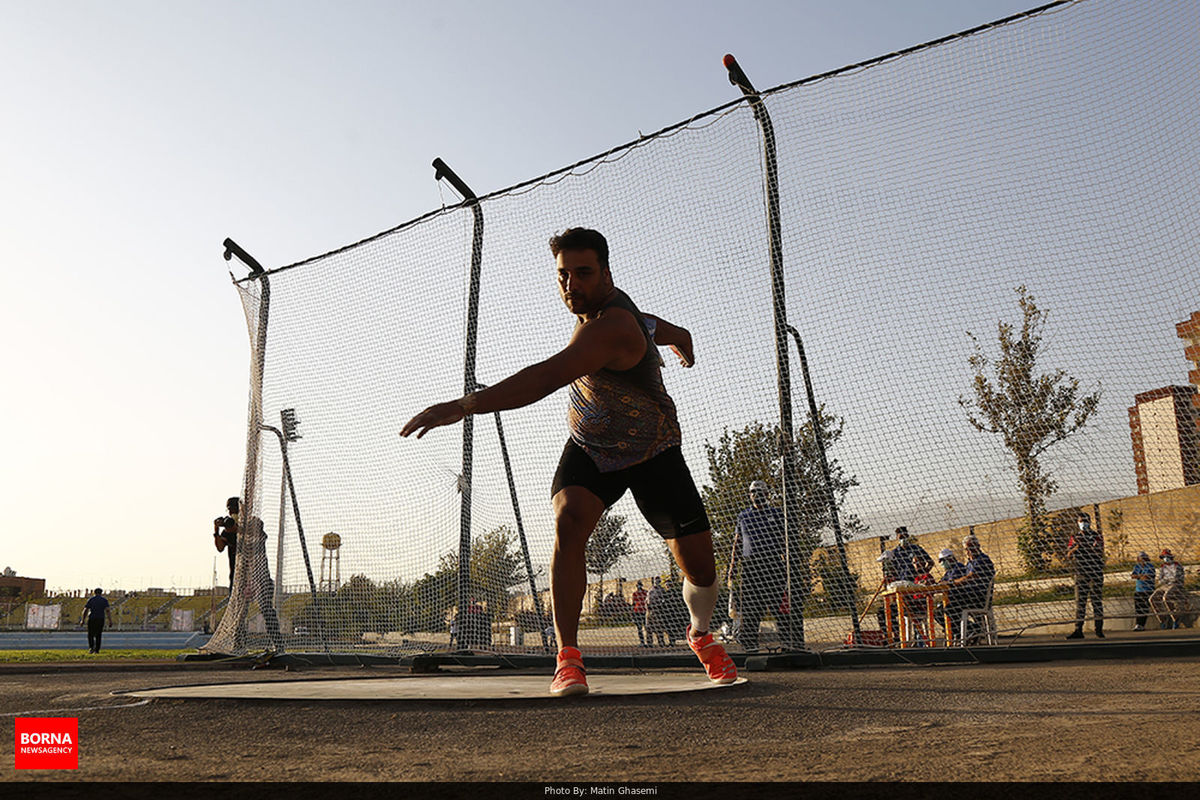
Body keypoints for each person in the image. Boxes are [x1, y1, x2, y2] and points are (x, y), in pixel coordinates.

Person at [401, 228, 736, 696]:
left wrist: (463, 406)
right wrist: (679, 334)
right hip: (592, 448)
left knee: (700, 569)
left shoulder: (611, 326)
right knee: (569, 519)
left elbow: (548, 376)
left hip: (651, 452)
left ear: (606, 275)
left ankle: (700, 635)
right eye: (562, 276)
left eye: (582, 274)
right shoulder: (606, 309)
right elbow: (653, 323)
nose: (570, 286)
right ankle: (569, 658)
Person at [726, 480, 786, 651]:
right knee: (751, 607)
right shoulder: (743, 516)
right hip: (751, 566)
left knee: (778, 605)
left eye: (760, 491)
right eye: (753, 491)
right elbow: (737, 542)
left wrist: (789, 563)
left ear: (767, 494)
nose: (756, 495)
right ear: (749, 495)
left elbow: (784, 540)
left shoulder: (776, 513)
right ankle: (750, 645)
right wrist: (732, 568)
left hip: (773, 563)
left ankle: (788, 642)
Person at [943, 535, 996, 644]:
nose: (969, 551)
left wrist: (952, 582)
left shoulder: (983, 560)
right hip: (970, 595)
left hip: (979, 597)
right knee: (946, 606)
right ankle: (970, 631)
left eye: (971, 547)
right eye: (967, 549)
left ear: (978, 546)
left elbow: (969, 577)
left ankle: (972, 631)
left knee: (950, 607)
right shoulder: (970, 563)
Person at [1065, 511, 1104, 640]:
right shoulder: (1075, 537)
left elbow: (1099, 552)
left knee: (1096, 601)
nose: (1083, 524)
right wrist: (1076, 547)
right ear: (1078, 523)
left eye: (1086, 521)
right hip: (1081, 572)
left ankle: (1099, 630)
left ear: (1090, 522)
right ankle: (1078, 630)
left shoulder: (1096, 536)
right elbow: (1069, 554)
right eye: (1081, 521)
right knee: (1080, 603)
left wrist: (1088, 546)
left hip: (1095, 572)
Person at [935, 548, 969, 641]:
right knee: (937, 613)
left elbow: (950, 582)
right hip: (951, 599)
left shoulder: (958, 567)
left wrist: (946, 583)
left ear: (949, 559)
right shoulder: (949, 571)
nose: (942, 564)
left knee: (948, 610)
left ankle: (970, 629)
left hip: (961, 599)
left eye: (942, 561)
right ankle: (956, 632)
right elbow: (942, 582)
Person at [1149, 549, 1188, 629]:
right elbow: (1160, 580)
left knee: (1165, 597)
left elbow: (1177, 578)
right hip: (1165, 585)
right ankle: (1162, 619)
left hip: (1175, 585)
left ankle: (1175, 618)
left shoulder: (1177, 565)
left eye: (1166, 556)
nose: (1165, 559)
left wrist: (1169, 580)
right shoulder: (1163, 567)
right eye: (1163, 557)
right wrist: (1166, 580)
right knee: (1152, 599)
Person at [213, 497, 240, 589]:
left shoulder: (251, 524)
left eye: (234, 510)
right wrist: (216, 531)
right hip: (236, 574)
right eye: (230, 510)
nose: (232, 513)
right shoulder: (226, 532)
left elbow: (238, 529)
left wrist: (236, 528)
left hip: (255, 572)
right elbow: (220, 548)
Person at [80, 587, 114, 654]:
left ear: (94, 593)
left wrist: (83, 620)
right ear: (101, 593)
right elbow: (107, 610)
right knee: (98, 634)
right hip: (100, 619)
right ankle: (97, 650)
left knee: (90, 634)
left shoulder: (91, 600)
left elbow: (85, 610)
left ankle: (91, 648)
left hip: (92, 618)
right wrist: (110, 620)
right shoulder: (104, 600)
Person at [1130, 551, 1155, 631]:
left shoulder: (1150, 566)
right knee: (1138, 608)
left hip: (1147, 590)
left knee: (1144, 608)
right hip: (1138, 590)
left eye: (1144, 558)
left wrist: (1138, 576)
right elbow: (1133, 576)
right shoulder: (1137, 567)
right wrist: (1140, 576)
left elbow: (1147, 577)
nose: (1142, 560)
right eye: (1141, 558)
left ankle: (1142, 625)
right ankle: (1138, 624)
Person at [644, 575, 669, 647]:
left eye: (658, 581)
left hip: (657, 610)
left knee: (659, 627)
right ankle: (649, 643)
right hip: (649, 610)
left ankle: (661, 642)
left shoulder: (661, 590)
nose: (656, 582)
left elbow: (664, 600)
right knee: (648, 627)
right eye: (655, 580)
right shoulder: (650, 590)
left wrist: (660, 605)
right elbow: (647, 600)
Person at [630, 581, 648, 647]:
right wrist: (632, 613)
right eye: (638, 585)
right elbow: (633, 603)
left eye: (640, 585)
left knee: (647, 627)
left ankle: (648, 642)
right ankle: (642, 642)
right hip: (637, 611)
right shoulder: (635, 594)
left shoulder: (645, 592)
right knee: (639, 628)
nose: (639, 587)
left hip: (644, 611)